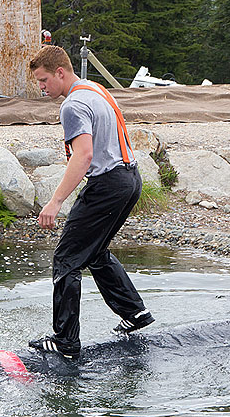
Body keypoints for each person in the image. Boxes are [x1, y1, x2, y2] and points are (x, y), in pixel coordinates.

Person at [27, 45, 153, 359]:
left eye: (43, 80)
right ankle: (135, 313)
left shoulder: (72, 105)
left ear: (60, 72)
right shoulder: (94, 88)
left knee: (66, 259)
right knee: (94, 252)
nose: (41, 87)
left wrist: (55, 201)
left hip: (108, 184)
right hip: (130, 180)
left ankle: (65, 341)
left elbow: (83, 156)